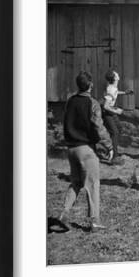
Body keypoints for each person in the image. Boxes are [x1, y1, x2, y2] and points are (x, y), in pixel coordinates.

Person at [60, 71, 113, 231]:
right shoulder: (93, 103)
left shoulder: (70, 101)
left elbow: (65, 121)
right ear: (90, 85)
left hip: (71, 149)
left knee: (75, 183)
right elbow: (98, 126)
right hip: (86, 150)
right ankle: (94, 221)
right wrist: (109, 145)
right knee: (93, 184)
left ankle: (63, 214)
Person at [101, 69, 133, 165]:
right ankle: (114, 157)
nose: (118, 74)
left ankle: (110, 149)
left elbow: (116, 92)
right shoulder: (110, 89)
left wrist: (125, 93)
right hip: (107, 113)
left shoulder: (113, 88)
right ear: (115, 78)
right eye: (116, 74)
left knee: (118, 128)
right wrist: (116, 111)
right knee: (115, 132)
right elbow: (105, 106)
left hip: (111, 112)